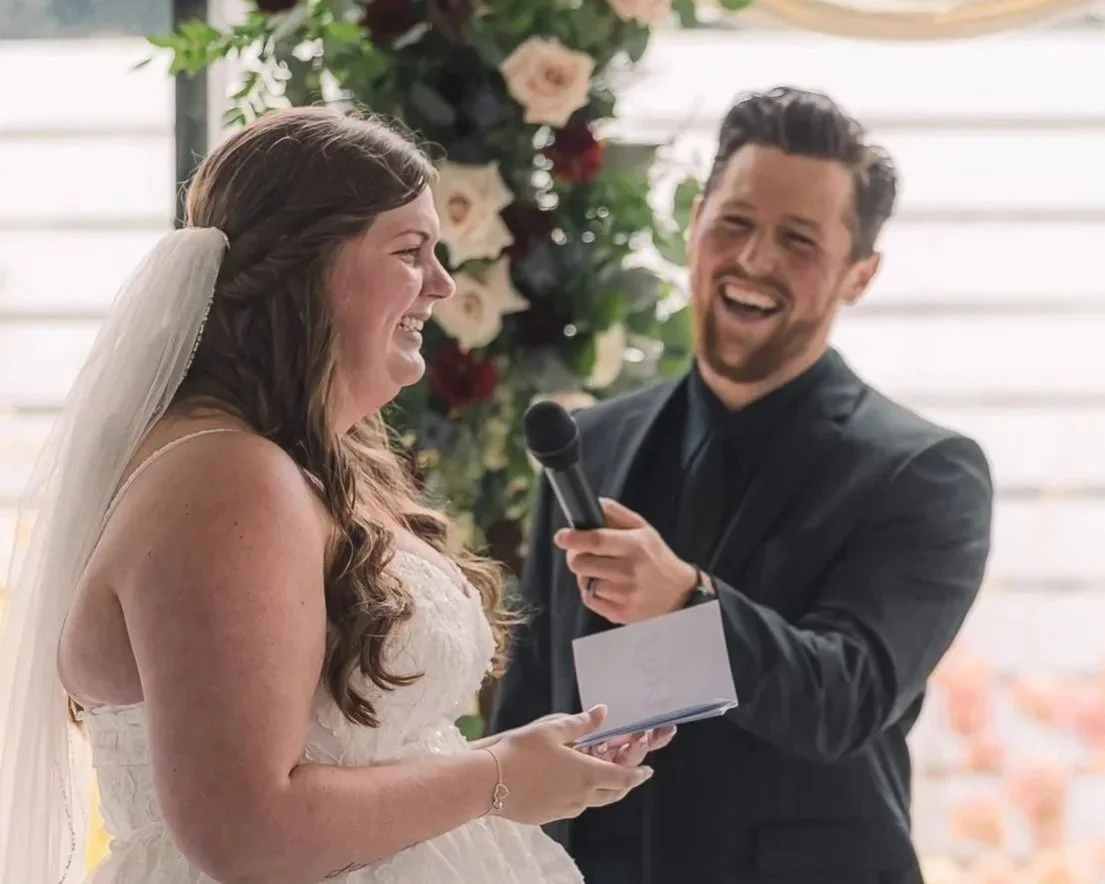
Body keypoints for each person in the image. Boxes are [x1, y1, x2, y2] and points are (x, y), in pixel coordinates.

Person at [0, 107, 669, 884]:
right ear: (307, 267)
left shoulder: (290, 464)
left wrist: (523, 761)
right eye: (409, 250)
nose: (443, 285)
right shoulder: (225, 481)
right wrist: (498, 780)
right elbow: (247, 832)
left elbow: (351, 760)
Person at [491, 87, 994, 884]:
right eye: (734, 223)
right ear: (694, 225)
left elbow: (844, 699)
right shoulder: (591, 442)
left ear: (859, 275)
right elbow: (529, 704)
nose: (755, 260)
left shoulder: (925, 473)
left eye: (797, 240)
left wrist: (686, 605)